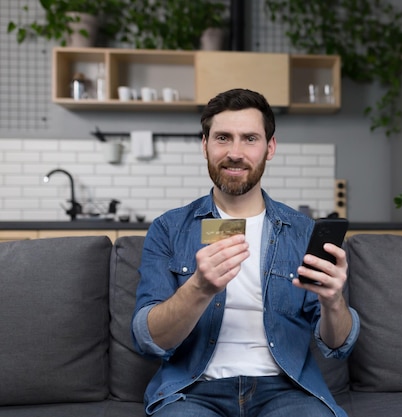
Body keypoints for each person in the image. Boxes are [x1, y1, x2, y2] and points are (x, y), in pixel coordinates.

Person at [132, 88, 360, 417]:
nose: (235, 153)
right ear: (205, 145)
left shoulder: (302, 233)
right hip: (193, 392)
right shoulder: (169, 229)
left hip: (285, 390)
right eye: (223, 138)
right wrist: (199, 288)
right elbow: (148, 340)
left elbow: (338, 346)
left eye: (249, 139)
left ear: (270, 148)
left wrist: (333, 300)